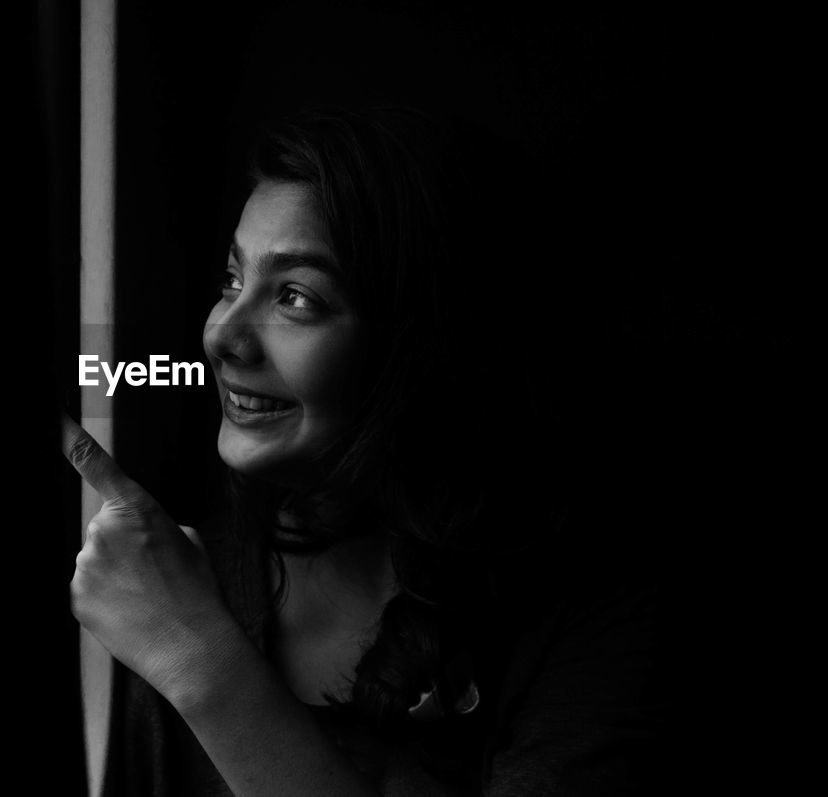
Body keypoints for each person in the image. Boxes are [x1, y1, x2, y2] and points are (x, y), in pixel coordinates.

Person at [61, 107, 670, 796]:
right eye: (234, 279)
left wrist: (201, 662)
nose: (222, 335)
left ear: (425, 347)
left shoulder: (586, 618)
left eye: (295, 297)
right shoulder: (171, 580)